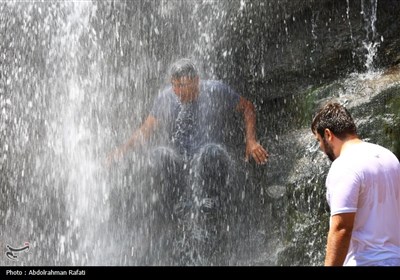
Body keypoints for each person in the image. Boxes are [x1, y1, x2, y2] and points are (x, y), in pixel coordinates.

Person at [107, 58, 268, 263]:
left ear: (197, 81)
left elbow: (247, 107)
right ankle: (167, 211)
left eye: (182, 86)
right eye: (174, 86)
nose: (178, 92)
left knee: (211, 152)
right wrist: (122, 151)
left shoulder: (216, 90)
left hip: (209, 159)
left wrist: (251, 140)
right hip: (180, 162)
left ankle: (210, 206)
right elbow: (145, 131)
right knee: (159, 155)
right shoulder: (166, 97)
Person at [311, 101, 400, 266]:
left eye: (319, 140)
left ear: (328, 134)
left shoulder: (344, 165)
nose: (321, 148)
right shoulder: (389, 157)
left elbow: (341, 229)